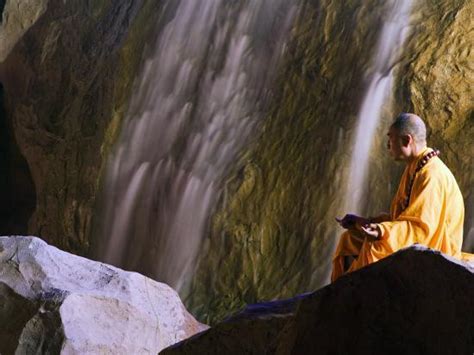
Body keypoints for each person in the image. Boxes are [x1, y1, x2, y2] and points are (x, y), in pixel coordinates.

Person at [331, 113, 473, 282]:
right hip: (413, 237)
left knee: (374, 246)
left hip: (435, 250)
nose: (387, 145)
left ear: (407, 141)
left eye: (391, 139)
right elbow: (401, 218)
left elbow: (421, 231)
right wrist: (366, 222)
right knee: (350, 239)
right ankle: (339, 295)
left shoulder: (431, 175)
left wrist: (381, 231)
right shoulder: (416, 167)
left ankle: (351, 300)